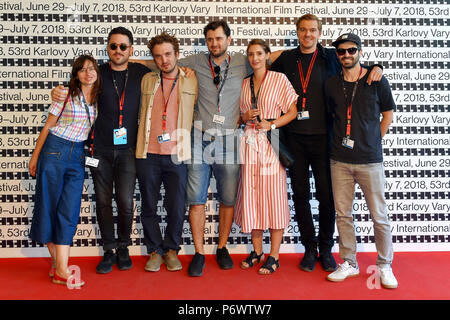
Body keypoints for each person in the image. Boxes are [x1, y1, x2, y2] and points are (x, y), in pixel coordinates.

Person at [270, 14, 383, 272]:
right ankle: (309, 250)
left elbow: (355, 64)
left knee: (326, 198)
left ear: (319, 33)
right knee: (300, 195)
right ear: (297, 32)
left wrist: (378, 66)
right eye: (302, 30)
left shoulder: (331, 57)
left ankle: (325, 249)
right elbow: (259, 64)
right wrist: (270, 53)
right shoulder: (287, 59)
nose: (307, 34)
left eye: (312, 30)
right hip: (294, 140)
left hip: (325, 141)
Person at [51, 27, 152, 274]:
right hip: (98, 151)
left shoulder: (142, 72)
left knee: (126, 201)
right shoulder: (98, 73)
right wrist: (58, 89)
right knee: (104, 201)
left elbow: (165, 63)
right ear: (107, 48)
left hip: (128, 150)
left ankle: (124, 247)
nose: (118, 50)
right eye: (113, 46)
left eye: (123, 46)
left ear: (131, 50)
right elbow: (77, 83)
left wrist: (186, 68)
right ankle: (109, 249)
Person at [175, 20, 254, 277]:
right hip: (199, 138)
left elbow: (275, 58)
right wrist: (126, 61)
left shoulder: (244, 61)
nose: (214, 43)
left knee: (227, 198)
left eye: (219, 38)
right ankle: (199, 252)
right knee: (196, 198)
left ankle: (221, 247)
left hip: (230, 140)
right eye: (209, 39)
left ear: (229, 39)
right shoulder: (196, 61)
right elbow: (161, 63)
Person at [324, 33, 397, 289]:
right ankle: (349, 262)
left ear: (360, 52)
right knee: (343, 215)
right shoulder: (331, 84)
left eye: (351, 50)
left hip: (370, 160)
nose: (346, 55)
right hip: (339, 160)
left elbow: (387, 115)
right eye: (342, 51)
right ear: (337, 55)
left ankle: (385, 265)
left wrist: (373, 141)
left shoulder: (376, 79)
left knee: (379, 216)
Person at [29, 54, 100, 287]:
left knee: (69, 210)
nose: (88, 72)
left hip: (79, 156)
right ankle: (60, 267)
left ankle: (58, 265)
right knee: (48, 204)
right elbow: (49, 125)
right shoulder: (66, 94)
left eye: (92, 68)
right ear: (76, 74)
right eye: (82, 69)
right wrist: (35, 156)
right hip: (55, 150)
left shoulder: (100, 99)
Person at [135, 33, 197, 272]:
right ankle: (154, 250)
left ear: (177, 54)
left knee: (176, 205)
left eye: (168, 54)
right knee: (149, 205)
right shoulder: (147, 80)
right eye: (158, 56)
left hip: (177, 153)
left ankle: (171, 249)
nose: (164, 60)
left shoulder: (192, 80)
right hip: (148, 153)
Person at [235, 39, 298, 274]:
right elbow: (238, 119)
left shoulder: (279, 79)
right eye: (251, 54)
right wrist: (244, 117)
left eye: (259, 53)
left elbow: (292, 112)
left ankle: (274, 255)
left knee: (274, 199)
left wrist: (271, 124)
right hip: (249, 144)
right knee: (252, 199)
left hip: (271, 144)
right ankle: (257, 251)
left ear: (267, 55)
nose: (255, 58)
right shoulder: (243, 83)